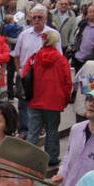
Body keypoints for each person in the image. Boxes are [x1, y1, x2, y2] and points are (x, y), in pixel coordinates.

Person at [23, 28, 74, 166]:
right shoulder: (61, 60)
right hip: (54, 101)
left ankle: (28, 158)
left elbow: (25, 75)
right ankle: (51, 157)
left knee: (33, 131)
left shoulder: (34, 57)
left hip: (35, 99)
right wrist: (65, 100)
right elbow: (67, 82)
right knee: (52, 130)